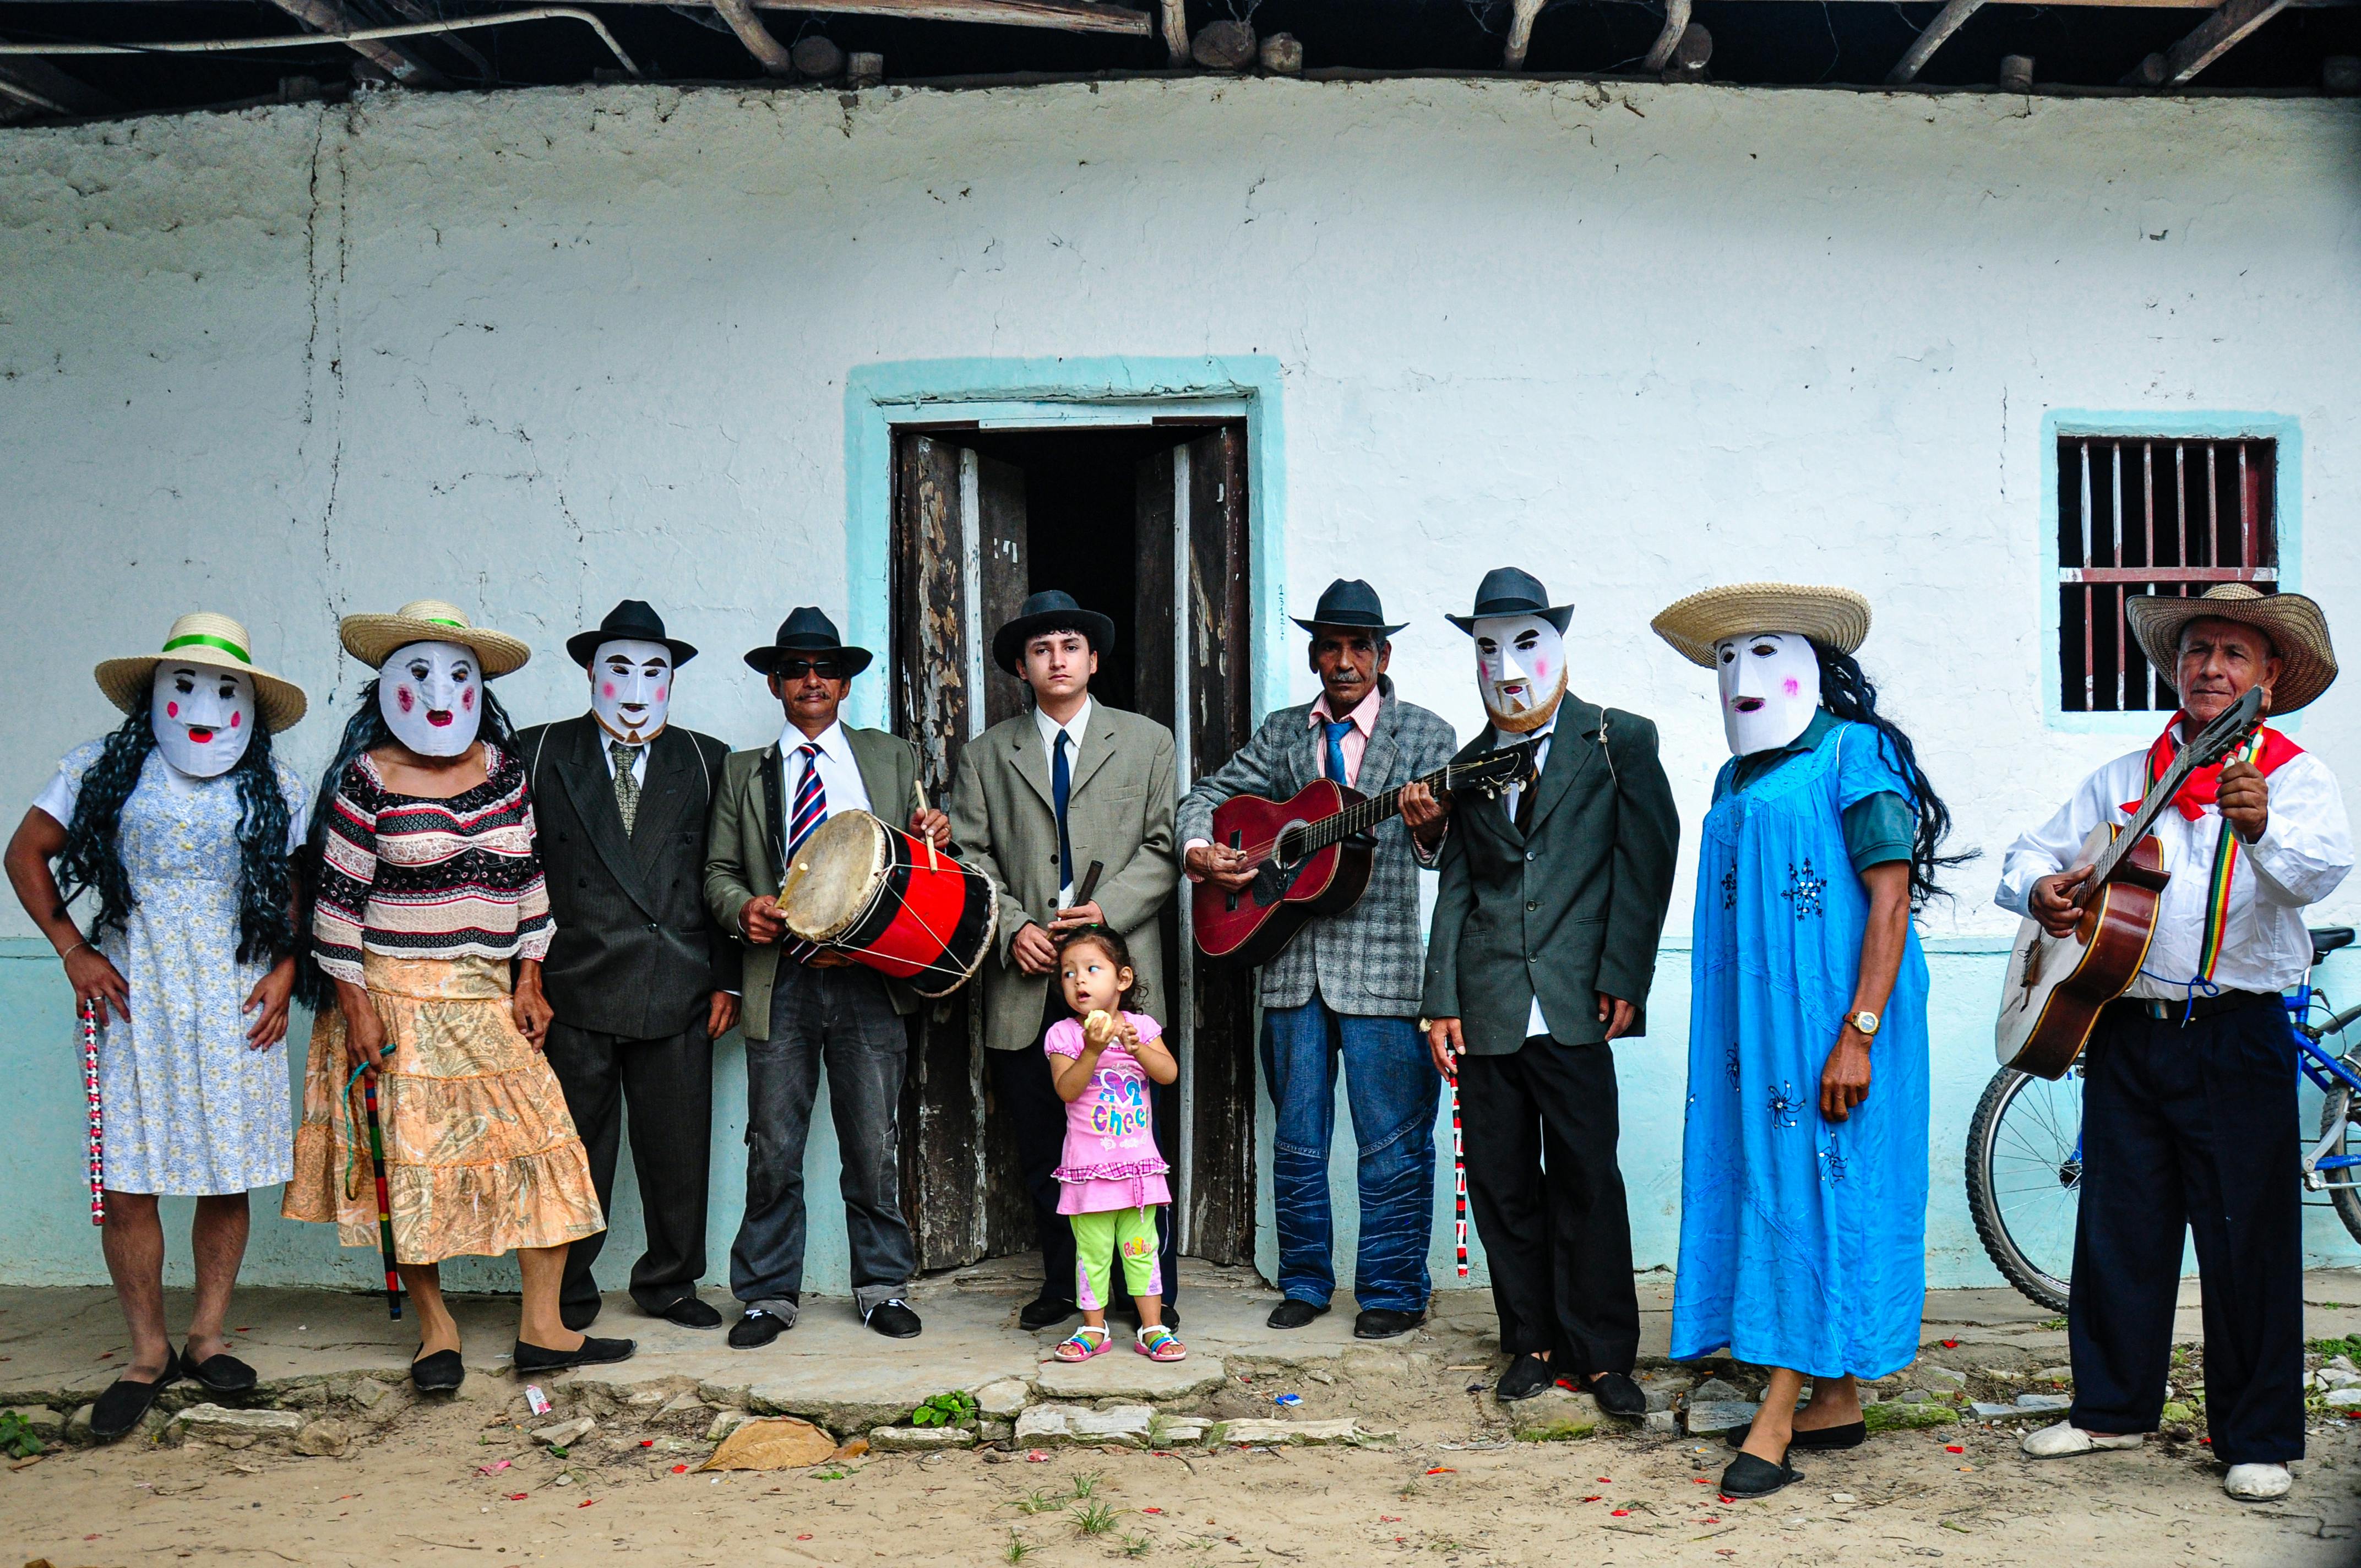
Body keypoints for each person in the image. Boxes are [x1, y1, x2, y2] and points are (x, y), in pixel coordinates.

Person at [1996, 584, 2348, 1504]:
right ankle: (2108, 1408)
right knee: (2120, 1227)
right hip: (2127, 1030)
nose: (2208, 667)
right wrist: (2040, 890)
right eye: (2195, 649)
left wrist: (2258, 822)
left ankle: (2255, 1432)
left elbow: (2319, 871)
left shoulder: (2294, 776)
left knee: (2248, 1242)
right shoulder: (2123, 778)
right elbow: (2025, 856)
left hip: (2237, 1036)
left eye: (2232, 653)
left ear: (2267, 677)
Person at [1651, 583, 1958, 1499]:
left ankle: (1777, 1414)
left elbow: (1890, 897)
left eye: (1764, 652)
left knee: (1819, 1194)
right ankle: (1835, 1396)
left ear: (1815, 665)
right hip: (1753, 1033)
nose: (1740, 674)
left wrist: (1856, 1032)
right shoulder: (1729, 778)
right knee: (1769, 1186)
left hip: (1836, 1023)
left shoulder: (1854, 754)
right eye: (1724, 658)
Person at [283, 599, 628, 1391]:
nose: (441, 691)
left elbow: (529, 883)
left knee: (547, 1150)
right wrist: (360, 1009)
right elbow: (335, 908)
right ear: (387, 685)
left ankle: (544, 1328)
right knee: (414, 1167)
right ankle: (437, 1332)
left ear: (478, 685)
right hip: (395, 999)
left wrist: (530, 977)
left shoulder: (503, 771)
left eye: (458, 674)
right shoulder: (366, 780)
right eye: (421, 672)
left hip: (487, 997)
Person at [3, 614, 309, 1440]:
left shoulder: (276, 782)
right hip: (133, 992)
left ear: (248, 700)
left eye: (224, 687)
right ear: (152, 694)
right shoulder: (100, 768)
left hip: (237, 994)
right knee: (129, 1180)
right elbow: (23, 851)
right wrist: (72, 951)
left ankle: (207, 1337)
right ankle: (146, 1352)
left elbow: (295, 885)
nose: (205, 703)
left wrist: (287, 970)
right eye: (186, 684)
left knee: (225, 1170)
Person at [1420, 567, 1679, 1419]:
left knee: (1587, 1179)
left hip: (1574, 1001)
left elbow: (1646, 862)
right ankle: (1529, 1340)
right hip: (1488, 1003)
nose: (1507, 663)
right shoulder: (1468, 764)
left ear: (1557, 641)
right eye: (1488, 647)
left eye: (1525, 640)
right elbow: (1457, 885)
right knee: (1502, 1183)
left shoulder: (1616, 739)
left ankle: (1605, 1355)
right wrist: (1440, 997)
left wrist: (1623, 975)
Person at [1177, 578, 1455, 1338]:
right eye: (1329, 647)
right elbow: (1205, 795)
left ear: (1382, 654)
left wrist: (1429, 828)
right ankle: (1304, 1280)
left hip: (1386, 972)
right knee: (1298, 1138)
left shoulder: (1427, 738)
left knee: (1392, 1144)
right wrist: (1203, 850)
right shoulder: (1281, 735)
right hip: (1289, 967)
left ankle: (1394, 1293)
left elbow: (1449, 854)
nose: (1343, 661)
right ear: (1312, 655)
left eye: (1357, 647)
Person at [703, 607, 949, 1348]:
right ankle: (768, 1296)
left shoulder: (890, 759)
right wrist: (741, 907)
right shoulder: (745, 772)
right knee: (774, 1143)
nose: (812, 681)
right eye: (797, 671)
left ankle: (880, 1287)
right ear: (777, 685)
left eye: (827, 671)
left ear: (844, 686)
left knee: (873, 1143)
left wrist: (939, 835)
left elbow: (921, 869)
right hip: (783, 979)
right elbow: (715, 871)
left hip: (871, 978)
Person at [948, 589, 1180, 1333]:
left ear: (1093, 659)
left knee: (1136, 1136)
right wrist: (1012, 924)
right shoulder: (987, 754)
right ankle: (1065, 1285)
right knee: (1047, 1140)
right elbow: (967, 852)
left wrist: (1107, 914)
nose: (1058, 659)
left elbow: (1166, 844)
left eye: (1071, 646)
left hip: (1119, 971)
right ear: (1022, 665)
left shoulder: (1147, 742)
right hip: (1028, 975)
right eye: (1042, 648)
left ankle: (1149, 1292)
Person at [516, 600, 741, 1333]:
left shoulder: (707, 760)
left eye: (655, 670)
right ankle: (567, 1291)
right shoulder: (540, 751)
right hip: (571, 986)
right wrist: (519, 979)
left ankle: (672, 1282)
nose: (638, 686)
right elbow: (514, 869)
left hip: (678, 984)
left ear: (673, 678)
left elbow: (727, 869)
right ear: (590, 671)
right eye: (619, 668)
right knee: (576, 1151)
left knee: (678, 1149)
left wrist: (727, 976)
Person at [1041, 926, 1185, 1364]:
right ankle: (1092, 1328)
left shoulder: (1141, 1026)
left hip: (1137, 1170)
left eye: (1091, 969)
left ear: (1122, 979)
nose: (1079, 981)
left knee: (1142, 1252)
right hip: (1089, 1170)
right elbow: (1067, 1090)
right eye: (1068, 974)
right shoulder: (1064, 1036)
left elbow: (1168, 1074)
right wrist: (1091, 1051)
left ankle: (1152, 1327)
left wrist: (1137, 1048)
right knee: (1093, 1255)